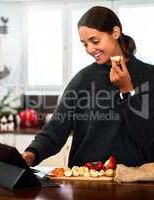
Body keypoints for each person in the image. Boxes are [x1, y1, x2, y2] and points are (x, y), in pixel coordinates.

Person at [22, 6, 154, 168]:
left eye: (95, 41)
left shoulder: (149, 75)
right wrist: (31, 154)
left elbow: (148, 138)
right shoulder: (82, 80)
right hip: (86, 182)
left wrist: (127, 90)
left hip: (135, 183)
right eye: (84, 44)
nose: (90, 49)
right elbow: (56, 129)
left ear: (115, 33)